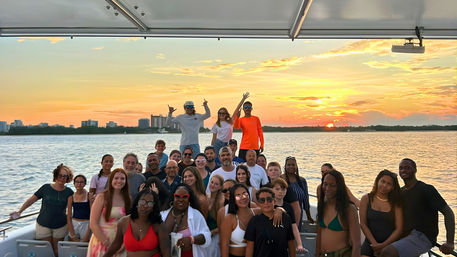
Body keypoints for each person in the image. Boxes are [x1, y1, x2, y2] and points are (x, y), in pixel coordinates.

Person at [380, 158, 455, 257]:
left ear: (415, 170)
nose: (403, 170)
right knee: (378, 246)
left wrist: (450, 242)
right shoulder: (401, 192)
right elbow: (383, 201)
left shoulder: (426, 190)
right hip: (405, 235)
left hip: (423, 237)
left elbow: (448, 213)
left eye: (407, 168)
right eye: (401, 168)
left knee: (388, 252)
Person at [10, 164, 74, 257]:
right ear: (55, 175)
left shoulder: (69, 192)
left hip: (60, 225)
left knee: (57, 250)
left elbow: (78, 205)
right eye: (60, 175)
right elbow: (31, 201)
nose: (62, 178)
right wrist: (20, 212)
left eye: (65, 176)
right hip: (43, 224)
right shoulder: (46, 188)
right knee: (46, 250)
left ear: (68, 178)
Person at [102, 189, 171, 257]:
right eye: (142, 202)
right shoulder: (124, 222)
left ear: (153, 207)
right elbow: (115, 245)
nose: (145, 206)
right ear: (137, 202)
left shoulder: (159, 225)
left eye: (150, 203)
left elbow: (166, 253)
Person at [87, 168, 131, 257]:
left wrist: (124, 243)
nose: (119, 181)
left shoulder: (127, 199)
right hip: (102, 240)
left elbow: (128, 223)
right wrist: (107, 243)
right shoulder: (101, 197)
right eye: (116, 178)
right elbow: (93, 223)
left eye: (122, 178)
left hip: (120, 242)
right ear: (111, 180)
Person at [316, 170, 360, 257]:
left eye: (332, 185)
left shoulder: (349, 209)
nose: (327, 188)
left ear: (339, 187)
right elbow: (319, 235)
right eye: (325, 184)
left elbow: (356, 243)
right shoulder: (322, 205)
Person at [360, 170, 403, 257]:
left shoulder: (395, 203)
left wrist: (383, 246)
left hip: (389, 245)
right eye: (382, 181)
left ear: (392, 187)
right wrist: (375, 244)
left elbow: (399, 229)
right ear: (377, 181)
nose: (384, 185)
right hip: (370, 243)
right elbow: (363, 224)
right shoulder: (366, 199)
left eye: (389, 184)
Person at [161, 184, 212, 257]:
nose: (181, 199)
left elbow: (207, 237)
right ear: (173, 197)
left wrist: (191, 240)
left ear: (189, 199)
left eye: (185, 197)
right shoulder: (163, 215)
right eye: (177, 196)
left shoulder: (196, 215)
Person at [245, 187, 296, 257]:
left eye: (269, 199)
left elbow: (291, 243)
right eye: (262, 200)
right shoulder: (254, 221)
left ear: (274, 201)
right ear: (259, 204)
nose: (266, 202)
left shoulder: (285, 218)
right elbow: (250, 246)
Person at [270, 178, 306, 254]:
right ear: (271, 190)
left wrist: (299, 244)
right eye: (277, 189)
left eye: (283, 189)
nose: (280, 192)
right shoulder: (269, 206)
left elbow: (294, 226)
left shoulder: (288, 207)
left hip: (284, 243)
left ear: (286, 191)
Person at [211, 93, 249, 157]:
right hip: (218, 143)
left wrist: (243, 99)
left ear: (226, 114)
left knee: (228, 159)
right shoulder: (216, 124)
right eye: (220, 113)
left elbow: (237, 109)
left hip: (228, 144)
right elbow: (214, 139)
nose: (221, 114)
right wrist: (211, 148)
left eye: (223, 113)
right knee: (217, 160)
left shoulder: (230, 121)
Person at [265, 162, 301, 229]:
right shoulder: (264, 188)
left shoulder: (286, 188)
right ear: (267, 172)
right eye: (271, 170)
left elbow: (297, 209)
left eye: (276, 170)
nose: (273, 172)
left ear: (280, 172)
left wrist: (294, 229)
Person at [282, 156, 314, 231]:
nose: (291, 167)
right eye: (288, 165)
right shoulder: (281, 179)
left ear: (296, 166)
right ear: (285, 166)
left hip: (298, 215)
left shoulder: (302, 181)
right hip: (284, 214)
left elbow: (305, 200)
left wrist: (308, 216)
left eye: (293, 165)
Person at [67, 174, 92, 242]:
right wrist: (72, 234)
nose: (79, 184)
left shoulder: (89, 196)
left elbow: (92, 216)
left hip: (86, 224)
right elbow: (69, 217)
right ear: (74, 183)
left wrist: (87, 234)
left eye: (81, 182)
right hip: (74, 224)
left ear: (85, 184)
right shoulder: (71, 197)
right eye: (77, 182)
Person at [206, 174, 225, 257]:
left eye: (216, 184)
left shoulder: (221, 201)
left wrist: (212, 232)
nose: (213, 185)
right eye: (212, 182)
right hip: (206, 233)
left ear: (220, 187)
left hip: (216, 235)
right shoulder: (206, 197)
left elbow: (223, 224)